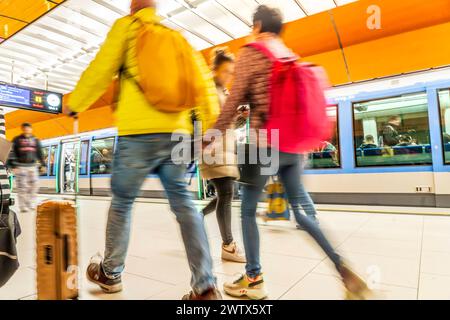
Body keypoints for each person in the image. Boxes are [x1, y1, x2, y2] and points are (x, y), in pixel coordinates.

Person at [211, 5, 370, 300]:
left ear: (257, 24)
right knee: (301, 212)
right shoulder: (287, 52)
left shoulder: (251, 51)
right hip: (294, 145)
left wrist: (211, 135)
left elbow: (232, 103)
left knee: (247, 210)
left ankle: (254, 278)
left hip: (265, 143)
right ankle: (343, 269)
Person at [65, 0, 221, 300]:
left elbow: (101, 68)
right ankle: (205, 286)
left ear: (133, 7)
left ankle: (110, 274)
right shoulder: (178, 38)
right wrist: (208, 125)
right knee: (185, 206)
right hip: (177, 134)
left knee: (123, 203)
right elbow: (202, 84)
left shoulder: (127, 28)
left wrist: (76, 103)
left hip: (137, 134)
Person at [200, 48, 246, 263]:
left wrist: (240, 117)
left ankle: (197, 216)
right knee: (226, 193)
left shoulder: (224, 91)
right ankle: (228, 245)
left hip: (225, 149)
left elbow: (228, 124)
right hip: (213, 150)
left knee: (225, 194)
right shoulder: (207, 90)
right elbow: (210, 121)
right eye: (226, 71)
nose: (229, 75)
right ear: (215, 69)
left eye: (231, 72)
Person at [8, 123, 46, 213]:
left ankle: (31, 203)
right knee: (22, 187)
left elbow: (40, 153)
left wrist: (43, 164)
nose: (27, 130)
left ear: (31, 129)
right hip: (20, 166)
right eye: (25, 128)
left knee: (35, 185)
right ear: (23, 129)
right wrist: (12, 166)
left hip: (32, 166)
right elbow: (11, 152)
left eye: (28, 128)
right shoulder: (17, 140)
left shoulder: (36, 140)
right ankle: (23, 206)